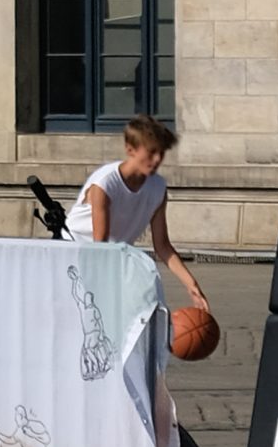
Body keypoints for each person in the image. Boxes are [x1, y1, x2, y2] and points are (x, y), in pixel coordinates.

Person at [63, 113, 211, 322]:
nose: (157, 159)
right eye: (151, 152)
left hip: (112, 256)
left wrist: (191, 284)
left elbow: (162, 246)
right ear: (130, 149)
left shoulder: (157, 187)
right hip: (74, 252)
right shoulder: (106, 183)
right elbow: (100, 246)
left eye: (161, 153)